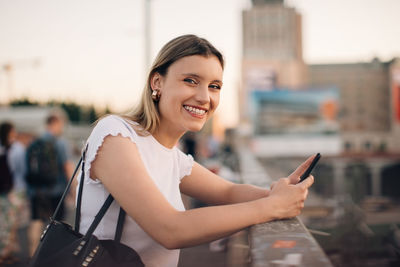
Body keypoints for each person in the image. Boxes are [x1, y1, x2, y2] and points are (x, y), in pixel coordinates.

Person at [78, 34, 315, 267]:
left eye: (214, 86)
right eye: (190, 81)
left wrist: (282, 192)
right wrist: (272, 206)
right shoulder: (115, 134)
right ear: (157, 82)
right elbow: (170, 229)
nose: (204, 97)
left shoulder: (173, 156)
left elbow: (229, 192)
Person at [26, 113, 74, 256]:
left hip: (36, 191)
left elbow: (28, 168)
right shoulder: (61, 143)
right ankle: (55, 255)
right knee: (58, 225)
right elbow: (67, 167)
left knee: (36, 222)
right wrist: (73, 188)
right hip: (56, 190)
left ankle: (32, 254)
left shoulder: (34, 143)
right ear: (56, 123)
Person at [0, 122, 18, 264]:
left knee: (6, 225)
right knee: (5, 224)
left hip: (6, 191)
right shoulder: (6, 150)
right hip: (4, 192)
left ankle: (5, 253)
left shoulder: (8, 149)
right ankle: (3, 254)